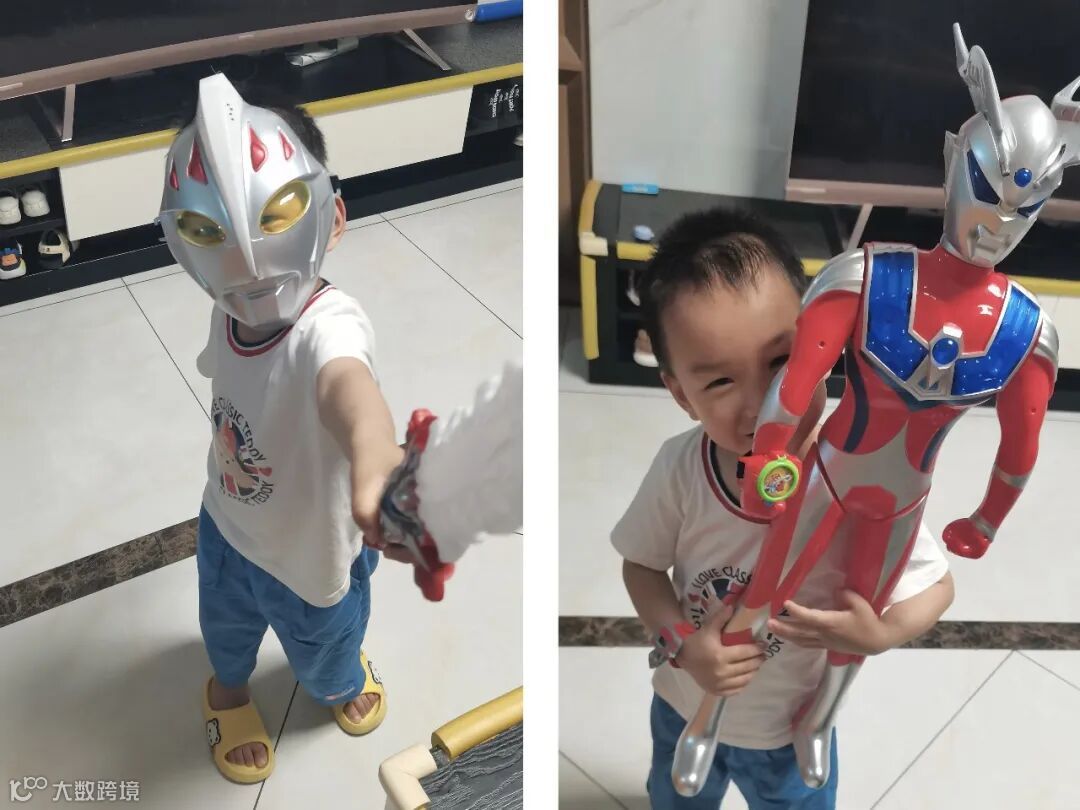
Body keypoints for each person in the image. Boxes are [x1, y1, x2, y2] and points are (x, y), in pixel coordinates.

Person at [613, 206, 954, 808]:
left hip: (792, 734)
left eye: (781, 363)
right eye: (719, 382)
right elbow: (640, 566)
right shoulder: (680, 469)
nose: (763, 404)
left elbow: (936, 587)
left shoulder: (858, 472)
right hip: (685, 705)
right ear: (681, 394)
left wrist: (880, 633)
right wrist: (682, 643)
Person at [160, 74, 399, 783]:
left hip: (311, 556)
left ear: (334, 217)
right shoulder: (227, 312)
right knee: (225, 632)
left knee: (327, 650)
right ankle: (227, 690)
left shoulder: (331, 326)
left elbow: (348, 387)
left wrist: (375, 457)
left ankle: (338, 681)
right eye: (211, 234)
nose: (251, 273)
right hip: (228, 525)